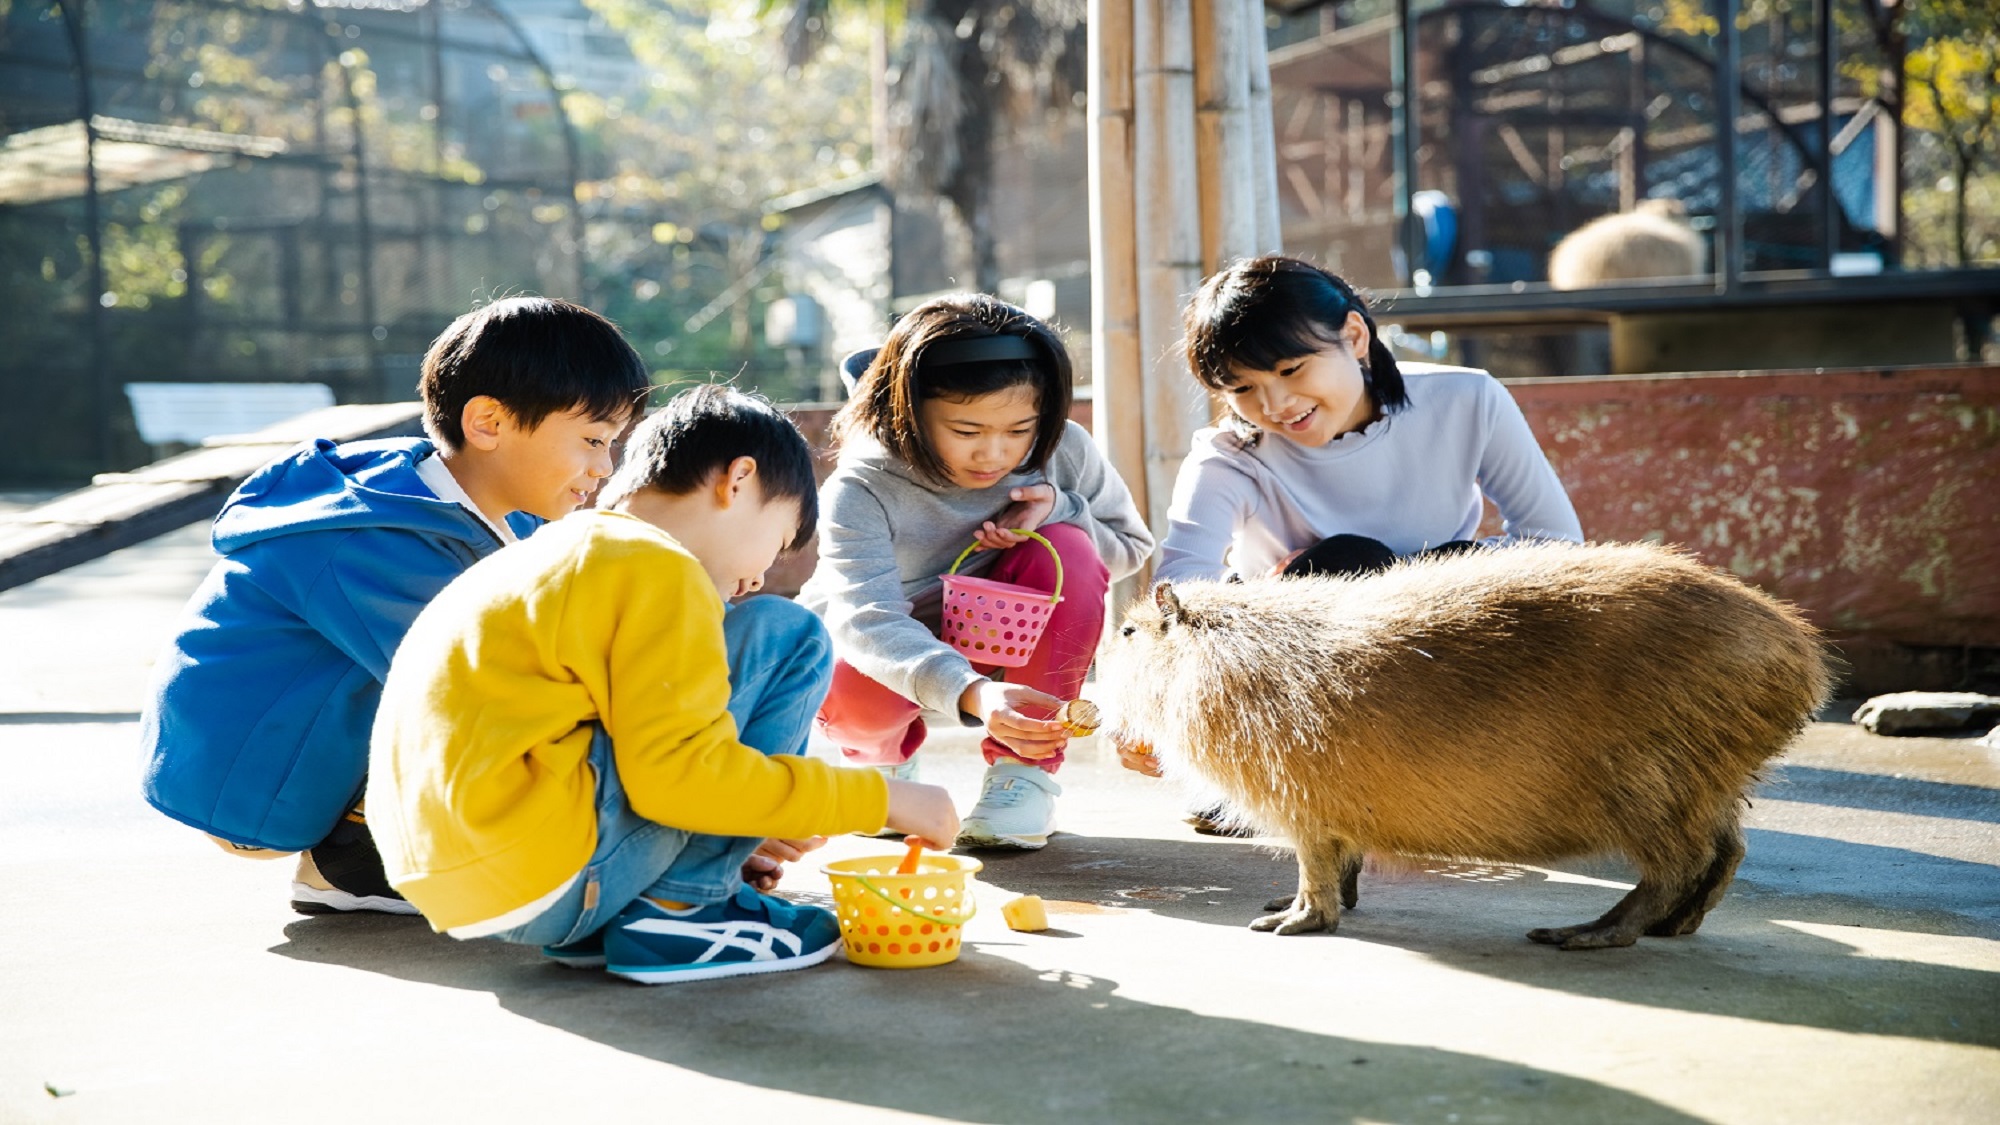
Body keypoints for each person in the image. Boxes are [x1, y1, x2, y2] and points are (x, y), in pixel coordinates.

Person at [365, 386, 959, 984]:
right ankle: (686, 908)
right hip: (545, 866)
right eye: (777, 542)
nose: (758, 577)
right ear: (738, 479)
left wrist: (741, 823)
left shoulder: (553, 554)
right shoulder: (660, 567)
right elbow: (681, 775)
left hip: (464, 880)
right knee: (785, 634)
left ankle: (649, 903)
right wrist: (885, 800)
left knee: (744, 657)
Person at [140, 296, 652, 914]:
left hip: (308, 743)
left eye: (612, 444)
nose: (604, 467)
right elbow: (490, 692)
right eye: (592, 440)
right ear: (488, 423)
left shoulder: (488, 509)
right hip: (256, 782)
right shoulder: (376, 539)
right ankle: (357, 859)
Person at [1135, 255, 1584, 819]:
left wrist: (1433, 576)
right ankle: (1274, 785)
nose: (1274, 406)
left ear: (1352, 336)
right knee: (1344, 562)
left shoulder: (1467, 400)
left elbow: (1557, 546)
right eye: (1243, 387)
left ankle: (1476, 772)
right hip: (1300, 680)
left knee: (1451, 569)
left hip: (1438, 656)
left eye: (1291, 369)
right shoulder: (1231, 456)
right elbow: (1177, 595)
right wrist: (1158, 698)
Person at [799, 293, 1155, 850]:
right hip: (882, 660)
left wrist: (1059, 509)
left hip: (1003, 640)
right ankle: (879, 761)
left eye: (1018, 430)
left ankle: (1024, 773)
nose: (994, 454)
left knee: (1067, 547)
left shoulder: (1062, 449)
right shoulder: (862, 484)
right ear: (908, 411)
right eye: (967, 432)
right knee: (845, 663)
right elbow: (866, 620)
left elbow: (1129, 548)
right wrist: (972, 693)